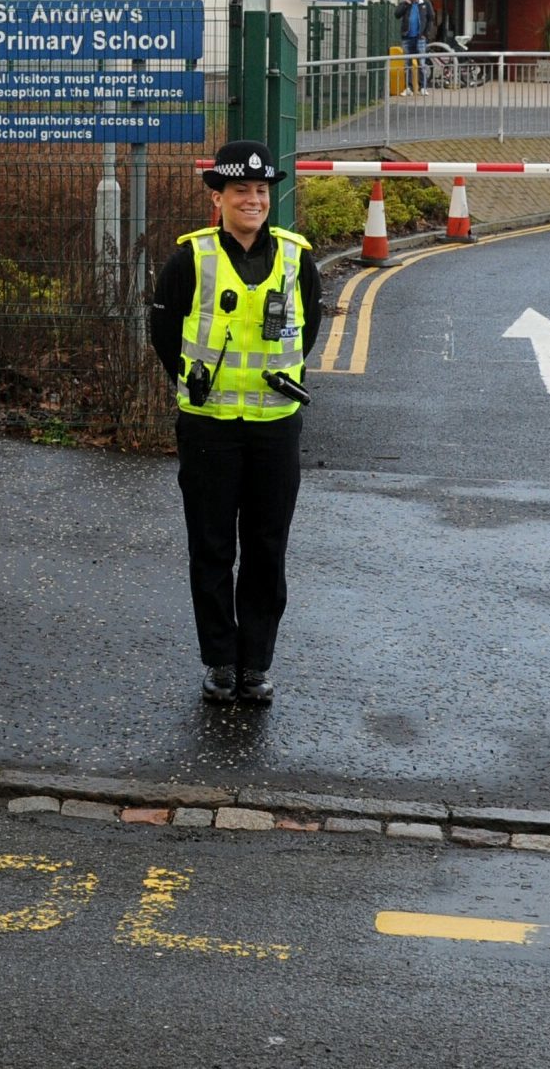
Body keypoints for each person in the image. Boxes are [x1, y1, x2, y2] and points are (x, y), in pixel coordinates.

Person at [149, 141, 322, 706]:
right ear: (218, 197)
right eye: (240, 191)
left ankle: (257, 663)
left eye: (261, 191)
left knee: (268, 547)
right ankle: (221, 660)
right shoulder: (189, 259)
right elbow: (165, 335)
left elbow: (309, 331)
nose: (252, 200)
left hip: (275, 427)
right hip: (209, 428)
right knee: (213, 546)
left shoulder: (298, 258)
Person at [398, 0, 435, 94]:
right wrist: (405, 3)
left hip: (420, 38)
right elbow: (397, 14)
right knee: (407, 64)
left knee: (422, 63)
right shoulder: (406, 4)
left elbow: (431, 19)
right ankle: (408, 88)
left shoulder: (425, 3)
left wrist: (426, 34)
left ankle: (423, 87)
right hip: (407, 38)